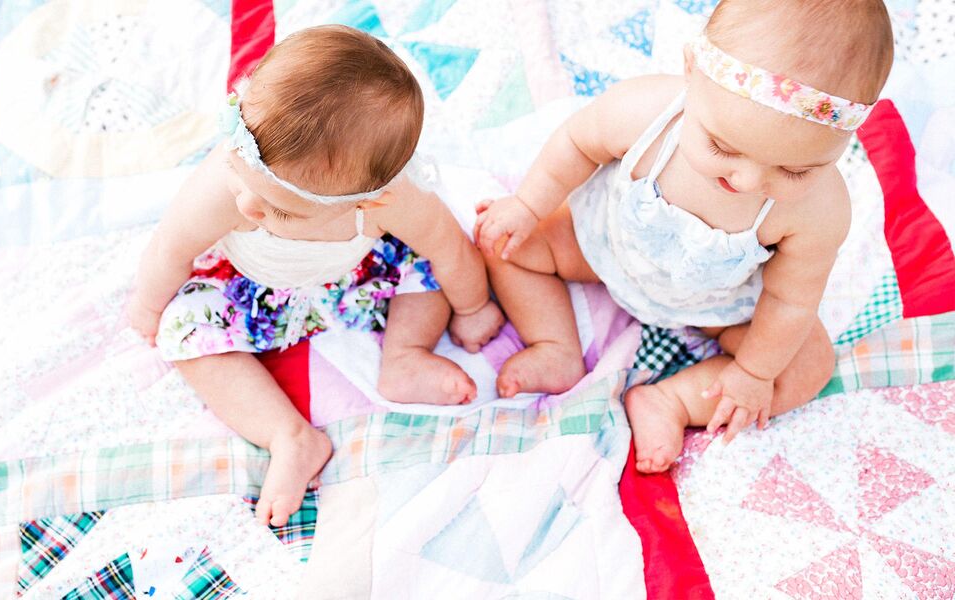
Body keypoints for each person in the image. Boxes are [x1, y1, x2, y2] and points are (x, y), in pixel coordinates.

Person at [474, 0, 893, 473]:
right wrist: (529, 206)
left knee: (807, 364)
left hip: (717, 306)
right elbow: (576, 143)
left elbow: (790, 301)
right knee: (501, 240)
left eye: (795, 170)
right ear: (692, 71)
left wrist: (754, 373)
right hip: (600, 247)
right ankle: (556, 345)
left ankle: (671, 400)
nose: (749, 181)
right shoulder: (646, 111)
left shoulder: (820, 210)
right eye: (722, 146)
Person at [129, 25, 503, 526]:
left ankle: (405, 356)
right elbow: (170, 249)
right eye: (242, 181)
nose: (248, 206)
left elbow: (448, 249)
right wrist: (148, 306)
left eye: (279, 211)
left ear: (369, 199)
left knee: (429, 266)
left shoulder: (393, 203)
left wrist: (474, 305)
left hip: (357, 279)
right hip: (253, 290)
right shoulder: (226, 187)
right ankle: (289, 436)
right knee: (184, 326)